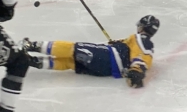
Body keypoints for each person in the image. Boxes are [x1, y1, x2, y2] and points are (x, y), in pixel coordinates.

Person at [23, 15, 159, 88]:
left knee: (72, 48)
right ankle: (33, 61)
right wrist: (118, 43)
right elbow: (134, 50)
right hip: (107, 69)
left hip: (107, 57)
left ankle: (31, 46)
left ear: (143, 27)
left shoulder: (142, 39)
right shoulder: (140, 41)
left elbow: (142, 55)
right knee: (72, 63)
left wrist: (137, 71)